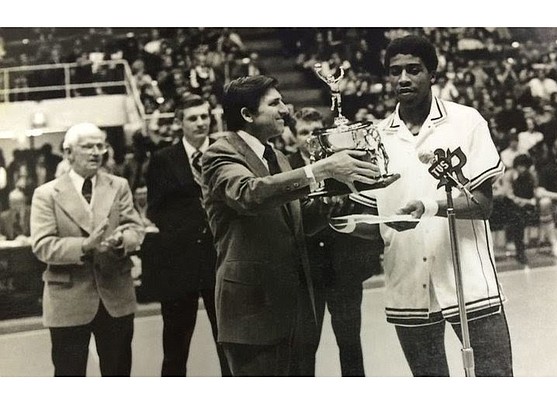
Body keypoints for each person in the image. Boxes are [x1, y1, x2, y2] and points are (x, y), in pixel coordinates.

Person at [336, 35, 513, 376]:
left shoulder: (465, 121)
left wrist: (428, 207)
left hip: (469, 278)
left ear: (432, 73)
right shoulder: (375, 136)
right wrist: (344, 221)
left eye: (413, 70)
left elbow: (483, 204)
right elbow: (372, 213)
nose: (403, 78)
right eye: (395, 71)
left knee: (496, 379)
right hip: (407, 279)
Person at [202, 75, 387, 376]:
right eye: (274, 103)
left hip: (297, 313)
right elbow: (249, 194)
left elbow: (301, 222)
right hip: (254, 313)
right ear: (247, 115)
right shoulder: (219, 153)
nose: (285, 110)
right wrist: (319, 169)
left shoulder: (276, 156)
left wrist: (335, 192)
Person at [29, 122, 145, 376]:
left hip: (115, 296)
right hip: (68, 300)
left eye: (100, 146)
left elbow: (135, 229)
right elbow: (42, 245)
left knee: (118, 376)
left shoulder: (119, 186)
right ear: (68, 153)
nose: (96, 152)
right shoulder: (46, 194)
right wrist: (84, 245)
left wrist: (122, 241)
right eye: (87, 147)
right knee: (70, 378)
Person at [287, 107, 382, 376]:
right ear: (292, 136)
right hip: (305, 273)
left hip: (343, 269)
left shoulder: (344, 163)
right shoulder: (286, 167)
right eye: (303, 132)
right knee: (304, 348)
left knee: (350, 344)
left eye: (315, 133)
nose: (309, 138)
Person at [146, 93, 230, 377]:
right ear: (179, 122)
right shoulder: (162, 160)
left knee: (229, 344)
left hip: (220, 259)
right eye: (192, 118)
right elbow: (155, 210)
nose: (200, 123)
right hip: (179, 264)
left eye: (204, 116)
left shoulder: (224, 151)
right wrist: (191, 232)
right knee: (176, 347)